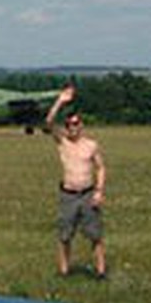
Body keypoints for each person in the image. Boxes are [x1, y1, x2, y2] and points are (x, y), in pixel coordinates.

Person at [46, 85, 107, 280]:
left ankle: (100, 272)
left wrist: (99, 191)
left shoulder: (91, 145)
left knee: (95, 235)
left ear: (81, 125)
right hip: (68, 195)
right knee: (65, 235)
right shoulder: (62, 143)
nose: (73, 127)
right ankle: (64, 272)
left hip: (88, 194)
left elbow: (101, 168)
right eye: (69, 124)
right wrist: (60, 101)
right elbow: (48, 122)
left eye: (76, 123)